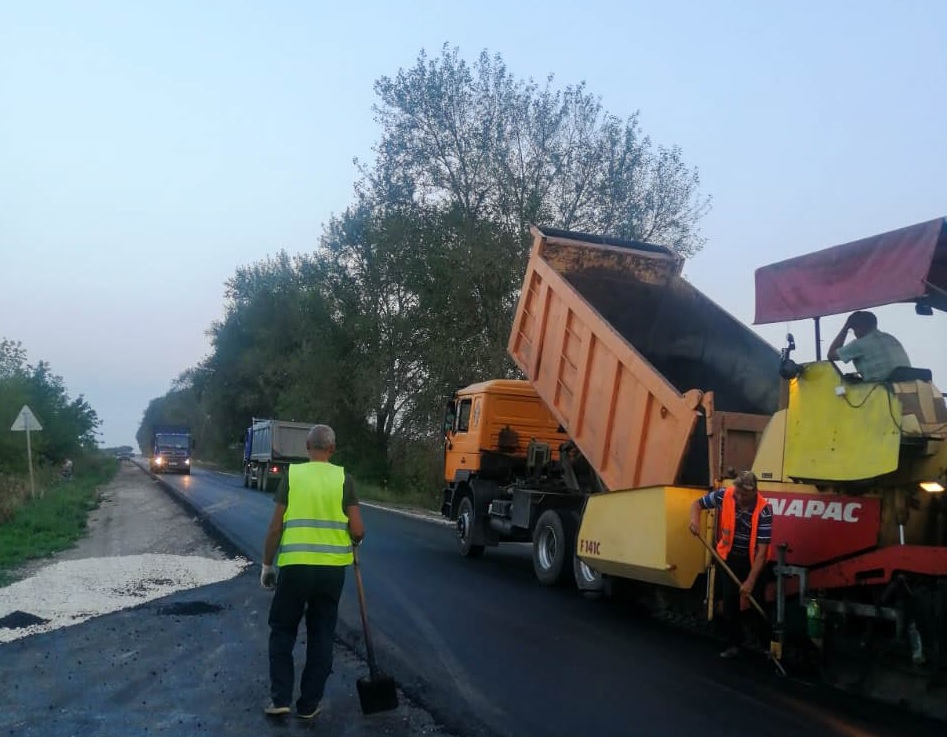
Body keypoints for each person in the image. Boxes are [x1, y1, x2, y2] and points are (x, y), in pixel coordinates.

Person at [260, 424, 365, 719]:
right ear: (332, 449)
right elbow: (357, 529)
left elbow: (275, 528)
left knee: (282, 629)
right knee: (321, 634)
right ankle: (309, 704)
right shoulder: (344, 478)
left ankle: (280, 698)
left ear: (307, 446)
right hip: (331, 573)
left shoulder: (293, 476)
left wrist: (268, 566)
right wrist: (355, 539)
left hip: (294, 568)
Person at [688, 470, 773, 658]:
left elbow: (762, 552)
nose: (740, 497)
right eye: (738, 493)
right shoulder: (725, 495)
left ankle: (768, 646)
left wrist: (750, 582)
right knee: (730, 602)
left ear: (754, 492)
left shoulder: (764, 510)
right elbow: (697, 504)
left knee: (758, 601)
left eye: (744, 494)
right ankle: (733, 644)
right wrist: (695, 521)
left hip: (753, 562)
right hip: (729, 559)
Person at [827, 310, 911, 382]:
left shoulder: (859, 344)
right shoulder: (891, 338)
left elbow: (831, 355)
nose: (854, 333)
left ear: (859, 327)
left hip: (881, 390)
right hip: (905, 386)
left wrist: (845, 328)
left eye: (853, 330)